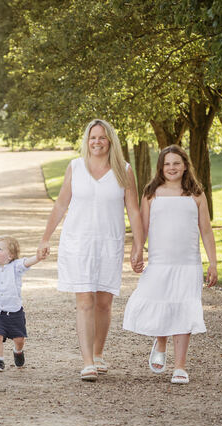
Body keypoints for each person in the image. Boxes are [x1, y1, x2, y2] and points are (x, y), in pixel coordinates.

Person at [37, 119, 144, 381]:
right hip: (79, 243)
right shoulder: (75, 167)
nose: (96, 142)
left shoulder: (124, 170)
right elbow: (61, 205)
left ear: (110, 141)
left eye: (102, 138)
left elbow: (133, 209)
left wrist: (139, 245)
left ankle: (98, 353)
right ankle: (87, 362)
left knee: (104, 303)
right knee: (85, 300)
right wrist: (45, 238)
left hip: (109, 243)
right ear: (87, 141)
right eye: (92, 137)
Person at [122, 145, 217, 384]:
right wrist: (137, 252)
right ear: (161, 167)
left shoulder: (195, 193)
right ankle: (161, 342)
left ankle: (180, 366)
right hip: (159, 262)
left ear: (185, 165)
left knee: (184, 308)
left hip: (188, 264)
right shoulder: (152, 193)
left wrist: (213, 262)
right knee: (159, 303)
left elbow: (205, 231)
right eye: (167, 164)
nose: (172, 168)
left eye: (176, 163)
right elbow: (142, 227)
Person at [0, 235, 45, 372]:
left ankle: (18, 351)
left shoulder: (15, 267)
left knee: (19, 338)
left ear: (10, 256)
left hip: (14, 311)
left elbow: (27, 262)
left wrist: (38, 257)